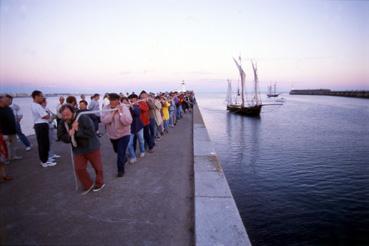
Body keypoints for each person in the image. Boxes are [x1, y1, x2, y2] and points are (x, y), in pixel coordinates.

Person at [57, 104, 105, 194]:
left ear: (73, 112)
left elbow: (91, 131)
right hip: (77, 148)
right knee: (79, 168)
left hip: (91, 146)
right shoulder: (62, 122)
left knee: (97, 167)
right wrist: (70, 133)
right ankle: (88, 184)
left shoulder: (82, 117)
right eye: (63, 115)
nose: (65, 117)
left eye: (67, 114)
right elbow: (60, 136)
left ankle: (100, 183)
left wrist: (77, 130)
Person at [102, 93, 132, 177]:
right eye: (111, 100)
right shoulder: (106, 108)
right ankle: (124, 158)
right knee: (117, 151)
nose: (112, 101)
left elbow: (128, 121)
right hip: (112, 135)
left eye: (114, 99)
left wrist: (120, 113)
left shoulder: (123, 107)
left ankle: (120, 170)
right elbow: (104, 121)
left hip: (124, 134)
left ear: (118, 100)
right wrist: (112, 113)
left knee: (120, 153)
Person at [31, 90, 56, 167]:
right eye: (41, 96)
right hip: (41, 126)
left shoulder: (35, 105)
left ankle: (45, 160)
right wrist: (52, 116)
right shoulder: (37, 106)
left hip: (41, 125)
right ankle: (45, 161)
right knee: (43, 144)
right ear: (36, 97)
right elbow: (45, 116)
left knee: (44, 143)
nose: (42, 98)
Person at [0, 94, 22, 161]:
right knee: (7, 146)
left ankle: (14, 156)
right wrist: (3, 133)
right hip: (4, 132)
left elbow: (12, 118)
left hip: (12, 130)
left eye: (9, 100)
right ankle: (6, 159)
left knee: (14, 144)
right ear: (1, 100)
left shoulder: (9, 108)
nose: (9, 101)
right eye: (7, 100)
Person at [126, 94, 145, 163]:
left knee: (141, 140)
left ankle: (142, 151)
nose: (131, 100)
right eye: (130, 99)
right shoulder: (126, 107)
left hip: (139, 126)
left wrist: (132, 107)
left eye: (132, 98)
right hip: (130, 128)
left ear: (136, 99)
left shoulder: (137, 105)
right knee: (129, 144)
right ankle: (133, 156)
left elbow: (137, 113)